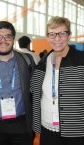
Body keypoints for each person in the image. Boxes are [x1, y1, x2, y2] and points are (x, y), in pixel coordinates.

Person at [30, 16, 84, 145]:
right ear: (47, 38)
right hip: (47, 129)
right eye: (52, 34)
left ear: (69, 35)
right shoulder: (42, 63)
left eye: (62, 33)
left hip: (76, 131)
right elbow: (36, 93)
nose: (57, 39)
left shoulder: (81, 60)